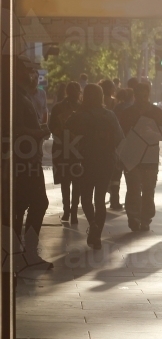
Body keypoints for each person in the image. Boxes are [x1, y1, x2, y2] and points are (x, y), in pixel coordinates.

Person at [67, 84, 123, 250]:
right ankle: (97, 236)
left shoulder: (80, 116)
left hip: (86, 160)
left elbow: (66, 128)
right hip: (107, 160)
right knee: (100, 199)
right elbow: (120, 137)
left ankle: (93, 224)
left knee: (85, 197)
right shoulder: (110, 115)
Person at [11, 56, 52, 269]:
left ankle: (20, 250)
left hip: (27, 159)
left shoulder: (20, 95)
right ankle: (26, 251)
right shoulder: (16, 97)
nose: (32, 75)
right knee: (35, 203)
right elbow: (16, 129)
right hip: (24, 160)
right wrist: (39, 132)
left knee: (20, 205)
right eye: (27, 71)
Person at [119, 81, 162, 232]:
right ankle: (134, 217)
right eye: (139, 96)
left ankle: (145, 218)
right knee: (133, 188)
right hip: (132, 158)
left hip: (150, 158)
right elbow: (119, 135)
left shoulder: (156, 112)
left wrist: (152, 134)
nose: (142, 99)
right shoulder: (126, 114)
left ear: (148, 95)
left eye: (145, 96)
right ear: (134, 95)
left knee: (148, 190)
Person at [50, 81, 83, 224]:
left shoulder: (59, 107)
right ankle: (71, 211)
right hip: (74, 149)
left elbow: (51, 127)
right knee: (74, 181)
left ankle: (69, 211)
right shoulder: (82, 108)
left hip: (66, 148)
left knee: (67, 181)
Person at [108, 87, 134, 211]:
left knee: (115, 175)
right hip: (131, 145)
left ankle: (114, 200)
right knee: (131, 175)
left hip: (117, 144)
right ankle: (132, 201)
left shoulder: (117, 108)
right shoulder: (133, 109)